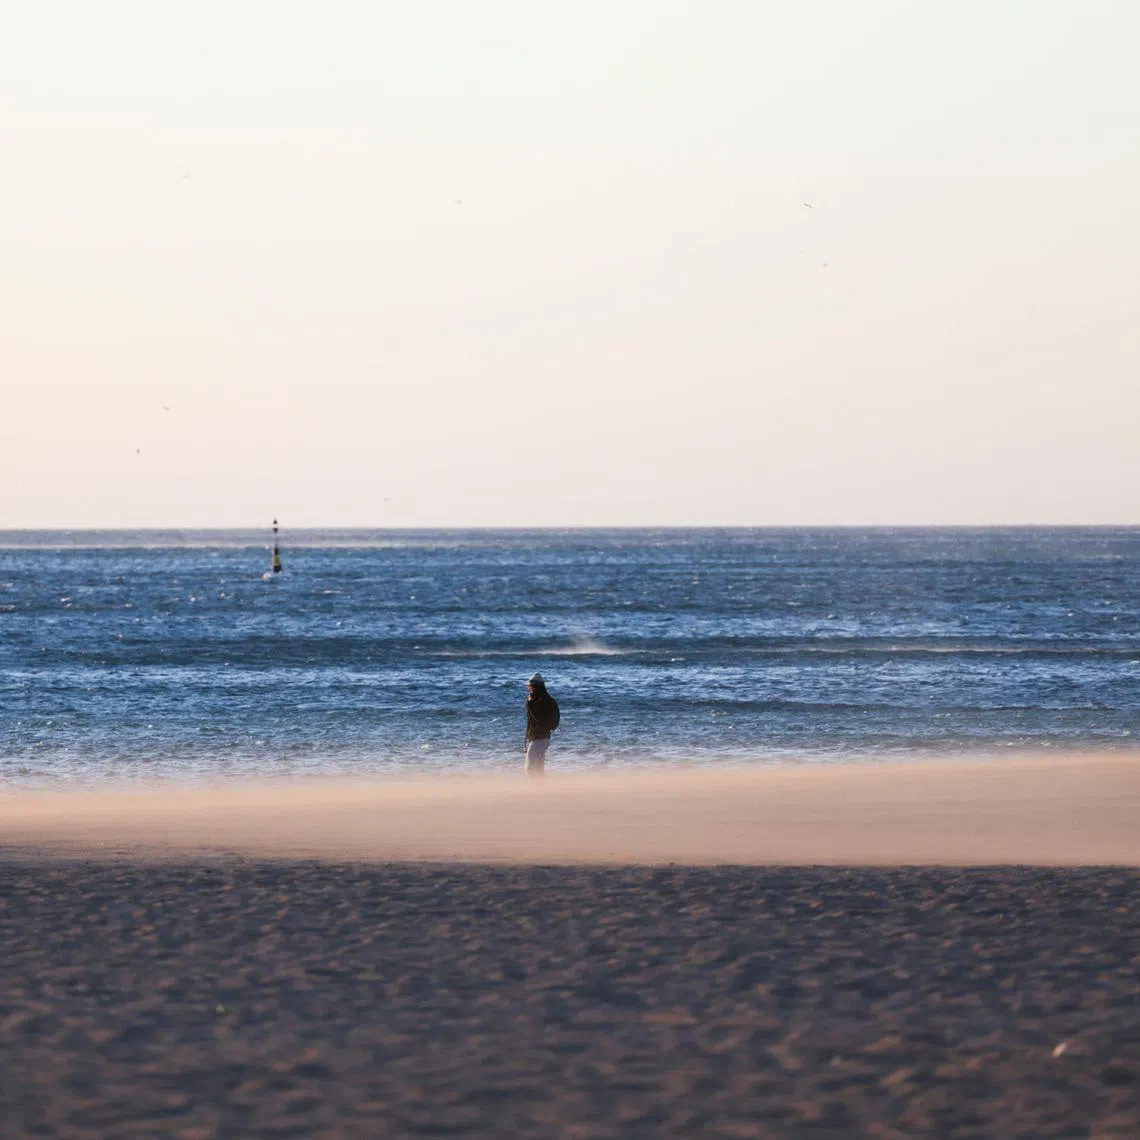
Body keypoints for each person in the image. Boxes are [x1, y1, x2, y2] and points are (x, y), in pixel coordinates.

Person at [524, 672, 560, 776]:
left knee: (530, 768)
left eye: (530, 687)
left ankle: (536, 789)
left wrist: (530, 703)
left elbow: (537, 717)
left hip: (539, 738)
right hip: (543, 737)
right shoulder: (549, 700)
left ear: (534, 687)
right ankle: (541, 789)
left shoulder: (539, 701)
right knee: (538, 768)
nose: (529, 689)